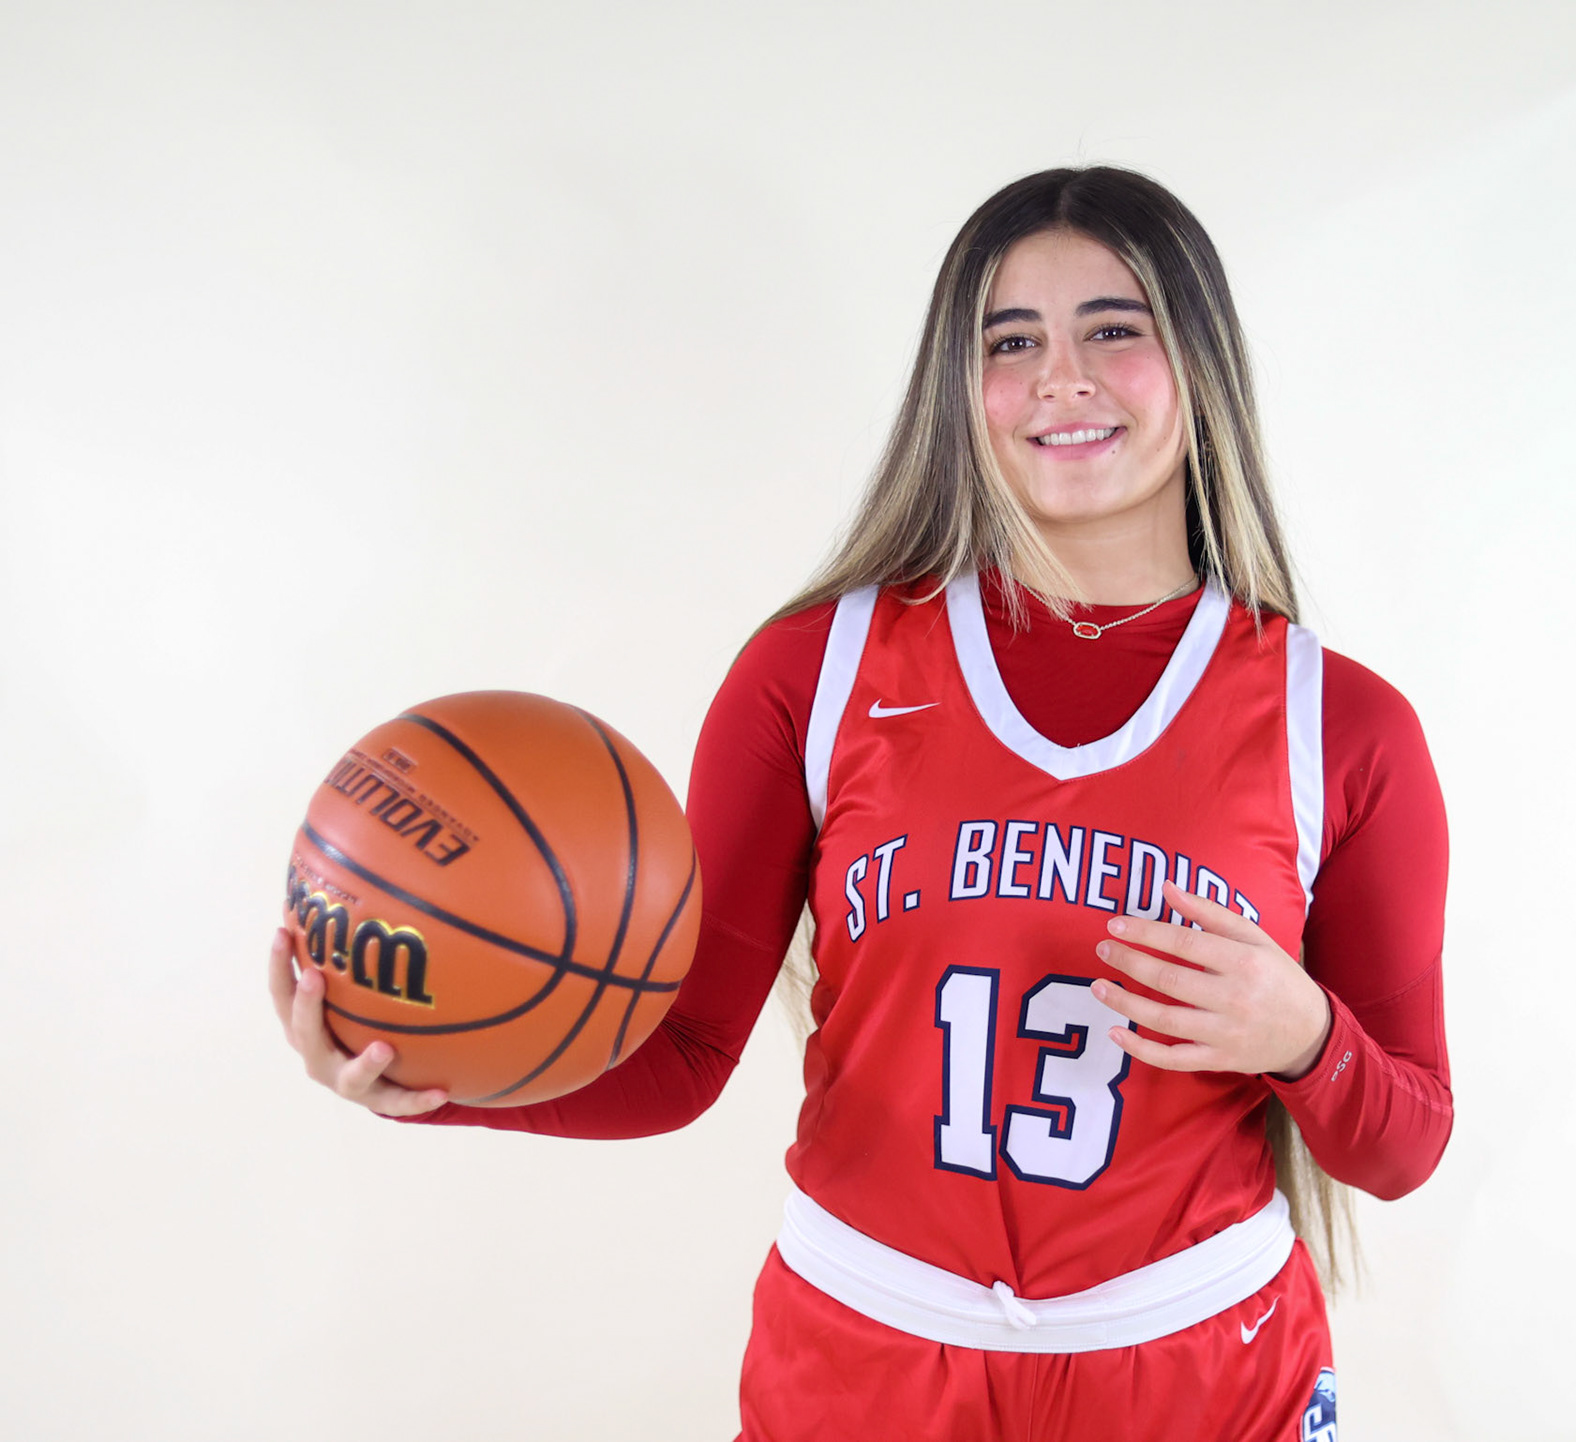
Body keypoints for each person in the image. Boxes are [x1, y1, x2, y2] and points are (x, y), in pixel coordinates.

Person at [269, 166, 1452, 1442]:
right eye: (1011, 341)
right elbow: (677, 1060)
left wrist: (1304, 1035)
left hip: (1203, 1360)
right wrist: (435, 1073)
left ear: (1201, 362)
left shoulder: (1343, 724)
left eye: (1116, 326)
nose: (1061, 375)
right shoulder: (815, 671)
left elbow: (1405, 1141)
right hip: (866, 1357)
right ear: (961, 389)